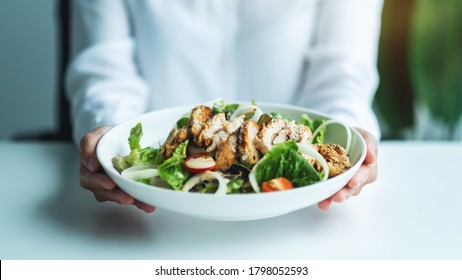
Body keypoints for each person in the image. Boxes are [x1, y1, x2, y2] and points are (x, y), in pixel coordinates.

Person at [67, 0, 382, 213]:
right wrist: (110, 140)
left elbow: (343, 72)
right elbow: (105, 69)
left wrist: (346, 140)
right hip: (152, 210)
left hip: (298, 214)